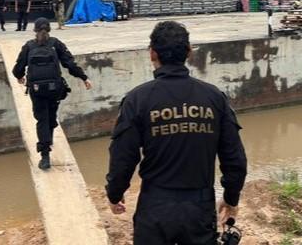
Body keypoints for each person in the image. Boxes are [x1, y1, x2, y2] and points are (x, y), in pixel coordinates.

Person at [106, 21, 247, 244]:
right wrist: (231, 198)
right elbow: (234, 158)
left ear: (152, 54)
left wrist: (115, 193)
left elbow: (123, 157)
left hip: (154, 209)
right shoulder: (214, 98)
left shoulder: (137, 100)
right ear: (189, 52)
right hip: (199, 210)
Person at [12, 17, 93, 169]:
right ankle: (49, 138)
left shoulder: (29, 46)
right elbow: (69, 64)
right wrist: (84, 77)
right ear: (49, 29)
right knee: (50, 117)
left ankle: (45, 156)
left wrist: (19, 77)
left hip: (36, 90)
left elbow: (18, 68)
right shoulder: (56, 44)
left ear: (34, 30)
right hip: (54, 89)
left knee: (42, 119)